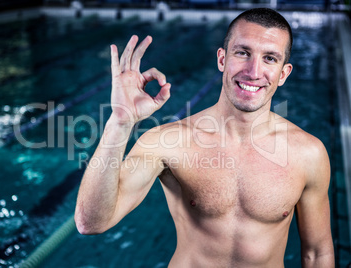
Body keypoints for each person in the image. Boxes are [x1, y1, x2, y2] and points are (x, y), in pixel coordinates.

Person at [75, 8, 334, 267]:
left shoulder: (308, 153)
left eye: (269, 58)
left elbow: (317, 252)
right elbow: (91, 223)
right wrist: (119, 122)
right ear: (222, 59)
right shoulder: (169, 141)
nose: (254, 71)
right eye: (242, 53)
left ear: (284, 73)